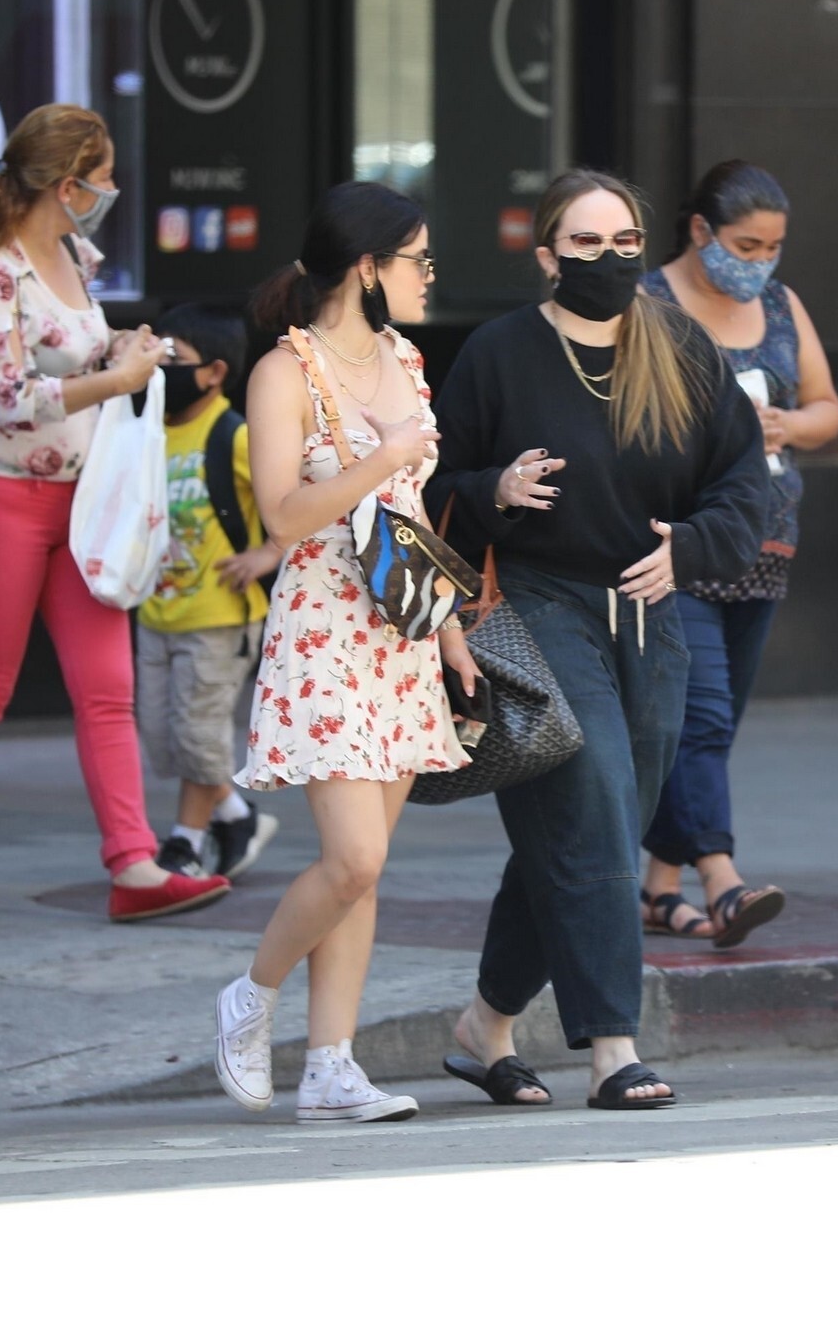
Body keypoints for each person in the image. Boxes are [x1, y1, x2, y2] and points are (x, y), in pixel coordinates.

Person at [426, 168, 768, 1111]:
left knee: (592, 828)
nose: (609, 259)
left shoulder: (679, 345)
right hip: (537, 603)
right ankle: (615, 1046)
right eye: (586, 243)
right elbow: (432, 486)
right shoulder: (500, 352)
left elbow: (742, 478)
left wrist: (691, 547)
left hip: (649, 614)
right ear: (547, 255)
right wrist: (494, 488)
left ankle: (486, 1025)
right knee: (598, 806)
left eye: (624, 242)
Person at [0, 104, 230, 924]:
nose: (111, 190)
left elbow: (73, 351)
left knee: (106, 688)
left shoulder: (69, 251)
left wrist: (122, 349)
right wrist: (116, 379)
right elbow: (10, 398)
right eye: (103, 178)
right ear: (66, 186)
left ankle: (134, 865)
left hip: (82, 498)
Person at [211, 182, 478, 1123]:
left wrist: (448, 625)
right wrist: (383, 453)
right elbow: (284, 516)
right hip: (323, 626)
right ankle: (251, 995)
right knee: (354, 858)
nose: (429, 275)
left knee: (365, 864)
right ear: (368, 267)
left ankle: (332, 1067)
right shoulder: (284, 372)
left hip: (399, 632)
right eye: (418, 259)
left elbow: (409, 512)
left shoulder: (405, 359)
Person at [638, 160, 838, 948]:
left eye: (772, 248)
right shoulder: (647, 304)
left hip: (765, 543)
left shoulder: (782, 305)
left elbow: (827, 407)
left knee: (712, 727)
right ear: (701, 231)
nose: (759, 262)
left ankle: (660, 888)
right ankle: (722, 881)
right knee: (701, 713)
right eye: (745, 246)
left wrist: (787, 425)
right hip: (678, 544)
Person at [140, 302, 282, 883]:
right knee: (164, 740)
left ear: (215, 372)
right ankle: (237, 815)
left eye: (174, 357)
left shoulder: (236, 435)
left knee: (198, 733)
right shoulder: (148, 431)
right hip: (155, 613)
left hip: (220, 615)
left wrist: (268, 553)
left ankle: (186, 842)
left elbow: (298, 501)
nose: (160, 367)